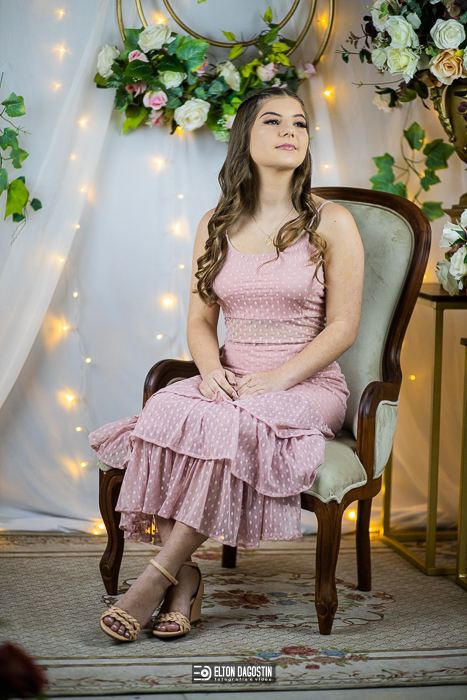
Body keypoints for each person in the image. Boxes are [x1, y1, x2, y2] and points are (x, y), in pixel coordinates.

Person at [90, 86, 364, 642]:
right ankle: (187, 579)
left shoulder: (331, 222)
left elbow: (343, 327)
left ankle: (156, 579)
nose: (290, 131)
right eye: (273, 121)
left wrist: (277, 380)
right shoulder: (216, 221)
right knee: (164, 412)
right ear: (245, 137)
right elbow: (199, 320)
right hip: (234, 376)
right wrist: (210, 371)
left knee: (230, 425)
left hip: (306, 384)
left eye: (299, 123)